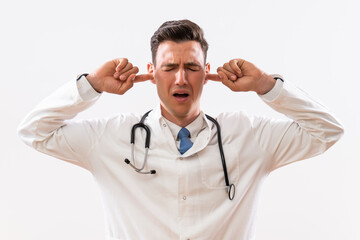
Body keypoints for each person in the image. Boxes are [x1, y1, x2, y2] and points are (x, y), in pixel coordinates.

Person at [18, 19, 343, 240]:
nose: (181, 79)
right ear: (151, 73)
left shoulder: (247, 134)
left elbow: (327, 131)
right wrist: (90, 85)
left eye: (192, 67)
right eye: (169, 67)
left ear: (206, 73)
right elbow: (34, 131)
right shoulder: (111, 137)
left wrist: (265, 85)